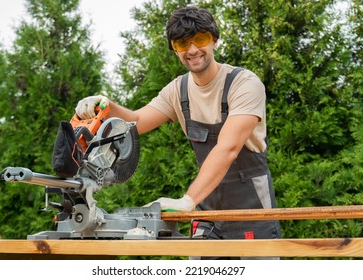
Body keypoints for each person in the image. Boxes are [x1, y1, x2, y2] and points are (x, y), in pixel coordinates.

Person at [76, 5, 281, 259]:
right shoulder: (178, 90)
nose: (192, 50)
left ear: (214, 40)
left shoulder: (244, 84)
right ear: (174, 49)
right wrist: (106, 106)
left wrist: (187, 201)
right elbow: (136, 121)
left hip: (251, 211)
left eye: (200, 39)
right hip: (206, 215)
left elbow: (228, 149)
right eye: (182, 43)